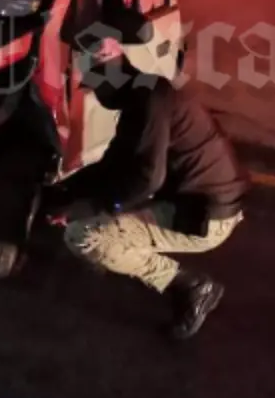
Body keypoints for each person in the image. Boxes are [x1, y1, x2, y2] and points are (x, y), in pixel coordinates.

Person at [46, 60, 251, 339]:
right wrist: (65, 189)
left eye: (96, 87)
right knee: (99, 211)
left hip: (205, 216)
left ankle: (189, 285)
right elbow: (115, 163)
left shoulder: (149, 101)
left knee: (83, 234)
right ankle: (117, 256)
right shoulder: (146, 92)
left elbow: (147, 179)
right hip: (204, 202)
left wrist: (88, 207)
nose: (96, 95)